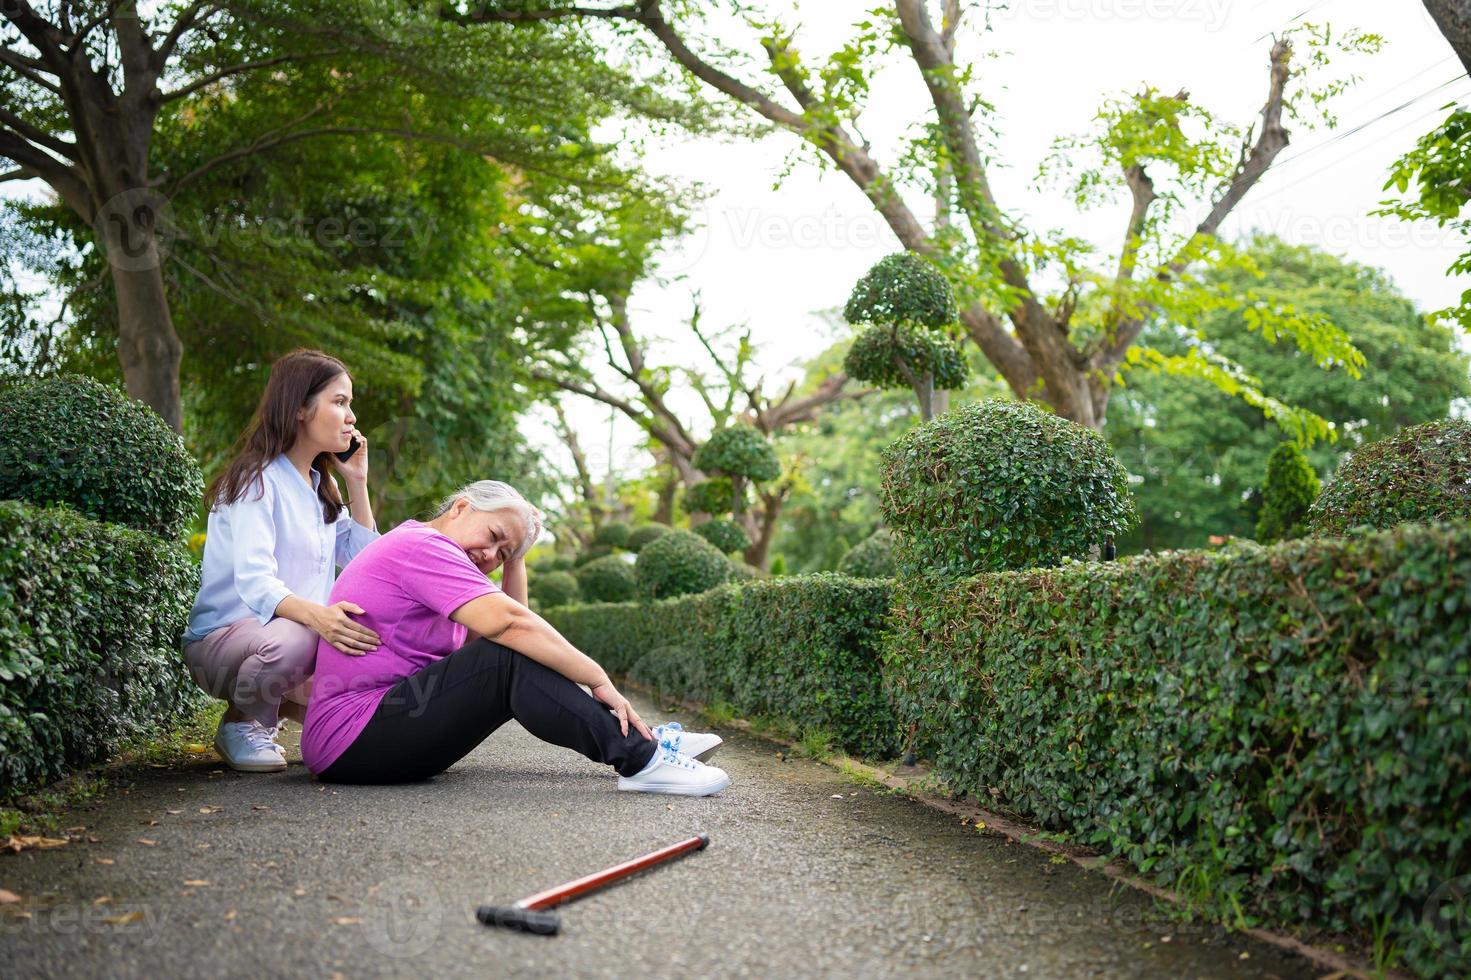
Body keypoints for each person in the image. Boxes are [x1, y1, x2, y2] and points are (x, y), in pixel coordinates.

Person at [301, 481, 730, 796]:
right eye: (492, 537)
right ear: (461, 508)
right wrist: (598, 678)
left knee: (509, 652)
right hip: (351, 739)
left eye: (502, 554)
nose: (490, 556)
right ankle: (641, 758)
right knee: (506, 655)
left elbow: (514, 627)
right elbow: (510, 629)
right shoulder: (424, 547)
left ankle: (643, 739)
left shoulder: (436, 557)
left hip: (378, 735)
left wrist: (516, 558)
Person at [182, 349, 382, 773]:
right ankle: (243, 723)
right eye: (340, 401)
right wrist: (322, 619)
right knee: (304, 636)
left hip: (291, 642)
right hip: (224, 643)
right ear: (299, 410)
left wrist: (358, 483)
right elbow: (256, 583)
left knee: (348, 725)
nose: (351, 417)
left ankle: (284, 704)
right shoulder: (255, 481)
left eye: (350, 404)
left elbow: (364, 559)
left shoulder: (318, 485)